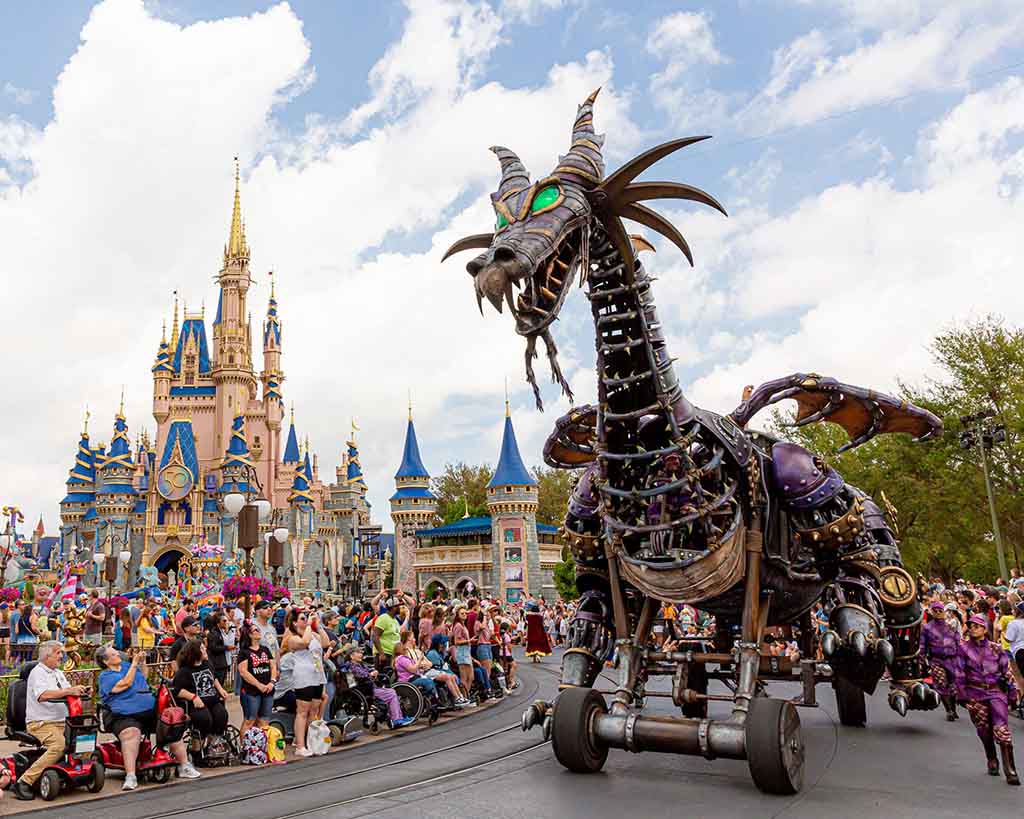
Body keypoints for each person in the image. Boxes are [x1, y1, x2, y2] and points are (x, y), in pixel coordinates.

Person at [96, 645, 198, 789]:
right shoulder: (105, 676)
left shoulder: (127, 665)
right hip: (122, 715)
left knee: (171, 723)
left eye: (117, 652)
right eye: (113, 654)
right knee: (132, 733)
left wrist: (142, 662)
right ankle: (130, 776)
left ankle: (184, 766)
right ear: (106, 661)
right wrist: (134, 663)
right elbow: (126, 683)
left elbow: (143, 675)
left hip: (148, 710)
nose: (118, 654)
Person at [14, 642, 89, 801]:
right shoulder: (37, 673)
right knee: (59, 745)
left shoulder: (58, 673)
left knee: (85, 739)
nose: (61, 656)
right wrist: (68, 691)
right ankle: (24, 782)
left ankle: (75, 771)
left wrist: (79, 689)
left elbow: (66, 691)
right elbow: (43, 695)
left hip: (62, 721)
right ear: (47, 655)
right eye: (58, 653)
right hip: (41, 723)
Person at [955, 614, 1019, 786]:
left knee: (1002, 729)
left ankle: (1010, 769)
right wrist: (961, 694)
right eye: (971, 625)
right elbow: (959, 673)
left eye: (977, 626)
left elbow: (1006, 672)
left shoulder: (996, 648)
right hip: (975, 693)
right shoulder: (963, 649)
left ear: (984, 629)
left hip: (996, 693)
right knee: (983, 729)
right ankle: (991, 757)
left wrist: (1012, 692)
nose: (973, 628)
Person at [280, 608, 329, 757]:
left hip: (317, 675)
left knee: (314, 710)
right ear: (295, 623)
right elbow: (305, 642)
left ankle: (311, 741)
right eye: (302, 618)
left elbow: (325, 642)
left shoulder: (313, 634)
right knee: (302, 711)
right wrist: (308, 625)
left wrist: (318, 626)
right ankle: (299, 745)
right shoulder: (293, 638)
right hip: (304, 676)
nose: (305, 620)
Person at [337, 643, 413, 728]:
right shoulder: (351, 666)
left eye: (360, 652)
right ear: (351, 656)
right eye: (358, 653)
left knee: (392, 692)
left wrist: (373, 671)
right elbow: (362, 675)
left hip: (369, 687)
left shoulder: (360, 664)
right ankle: (396, 720)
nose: (361, 654)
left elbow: (368, 669)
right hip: (365, 690)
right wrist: (371, 674)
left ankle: (398, 718)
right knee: (391, 693)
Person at [171, 639, 230, 740]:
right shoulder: (184, 671)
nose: (205, 649)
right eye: (202, 648)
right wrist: (193, 697)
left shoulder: (207, 664)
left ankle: (212, 745)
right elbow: (177, 690)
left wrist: (221, 689)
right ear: (195, 652)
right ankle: (197, 752)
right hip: (196, 705)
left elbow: (214, 677)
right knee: (204, 720)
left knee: (221, 716)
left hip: (213, 701)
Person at [920, 600, 960, 721]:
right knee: (941, 684)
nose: (938, 613)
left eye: (940, 610)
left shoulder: (950, 626)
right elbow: (922, 645)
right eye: (935, 611)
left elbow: (958, 642)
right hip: (936, 660)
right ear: (931, 612)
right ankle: (949, 711)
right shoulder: (927, 628)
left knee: (953, 686)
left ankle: (953, 708)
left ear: (944, 612)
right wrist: (922, 660)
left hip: (952, 660)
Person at [238, 621, 277, 736]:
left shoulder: (265, 649)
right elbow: (243, 672)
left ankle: (262, 750)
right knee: (250, 720)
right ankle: (245, 749)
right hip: (251, 692)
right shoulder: (244, 652)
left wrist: (272, 682)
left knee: (264, 721)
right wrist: (259, 685)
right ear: (249, 635)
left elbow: (273, 666)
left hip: (268, 689)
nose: (259, 631)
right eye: (256, 630)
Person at [373, 595, 404, 669]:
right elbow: (375, 636)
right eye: (398, 606)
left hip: (393, 655)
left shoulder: (395, 620)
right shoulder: (383, 618)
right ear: (393, 607)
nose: (399, 608)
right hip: (385, 655)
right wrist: (381, 654)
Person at [452, 606, 474, 695]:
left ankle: (466, 695)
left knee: (470, 677)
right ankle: (464, 696)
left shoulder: (462, 625)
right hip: (462, 652)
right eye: (462, 613)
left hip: (466, 651)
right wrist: (469, 641)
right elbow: (456, 641)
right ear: (457, 615)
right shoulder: (458, 626)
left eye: (465, 613)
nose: (465, 615)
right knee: (465, 677)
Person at [205, 611, 231, 685]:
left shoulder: (223, 632)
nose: (226, 622)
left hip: (223, 662)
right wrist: (226, 647)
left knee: (221, 683)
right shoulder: (214, 633)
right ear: (218, 623)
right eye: (224, 620)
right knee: (217, 684)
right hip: (217, 664)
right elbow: (213, 647)